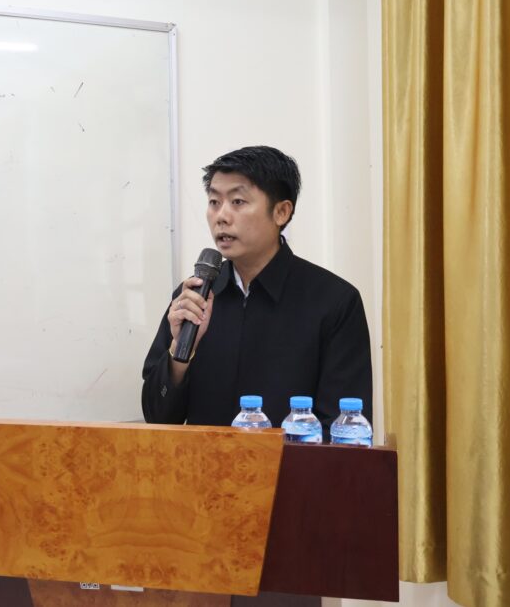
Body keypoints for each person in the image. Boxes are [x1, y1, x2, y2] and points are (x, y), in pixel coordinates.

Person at [141, 145, 373, 435]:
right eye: (214, 202)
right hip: (201, 464)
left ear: (281, 212)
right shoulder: (194, 298)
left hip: (290, 465)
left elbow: (342, 430)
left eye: (237, 201)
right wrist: (179, 353)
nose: (221, 216)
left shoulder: (334, 301)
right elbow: (158, 419)